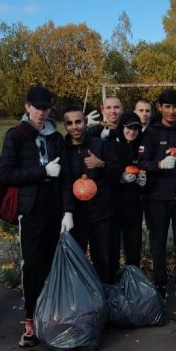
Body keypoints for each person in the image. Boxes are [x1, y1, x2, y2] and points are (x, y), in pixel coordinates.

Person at [0, 85, 66, 347]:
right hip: (31, 210)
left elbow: (63, 173)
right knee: (32, 266)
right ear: (27, 107)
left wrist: (66, 210)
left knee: (51, 264)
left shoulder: (55, 136)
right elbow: (7, 174)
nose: (42, 112)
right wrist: (42, 172)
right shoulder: (15, 135)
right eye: (37, 108)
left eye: (46, 108)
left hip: (54, 210)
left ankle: (49, 315)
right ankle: (30, 318)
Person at [139, 88, 176, 303]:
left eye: (175, 107)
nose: (172, 111)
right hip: (156, 197)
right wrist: (158, 164)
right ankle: (160, 283)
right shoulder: (151, 132)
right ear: (160, 108)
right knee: (158, 243)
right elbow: (141, 162)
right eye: (167, 107)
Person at [61, 107, 120, 284]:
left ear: (85, 122)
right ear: (65, 125)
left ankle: (106, 295)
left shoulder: (99, 145)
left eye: (78, 122)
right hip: (76, 215)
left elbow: (117, 170)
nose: (74, 127)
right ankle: (81, 300)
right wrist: (67, 211)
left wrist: (101, 164)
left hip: (101, 213)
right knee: (76, 259)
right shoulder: (62, 148)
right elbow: (63, 183)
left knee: (104, 259)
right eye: (69, 123)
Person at [112, 111, 147, 267]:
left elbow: (146, 167)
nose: (131, 132)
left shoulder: (141, 147)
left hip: (134, 205)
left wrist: (144, 181)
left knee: (133, 245)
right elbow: (106, 171)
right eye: (128, 128)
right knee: (112, 246)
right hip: (114, 204)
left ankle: (133, 277)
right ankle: (112, 278)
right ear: (122, 127)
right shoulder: (112, 145)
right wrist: (119, 178)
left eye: (135, 129)